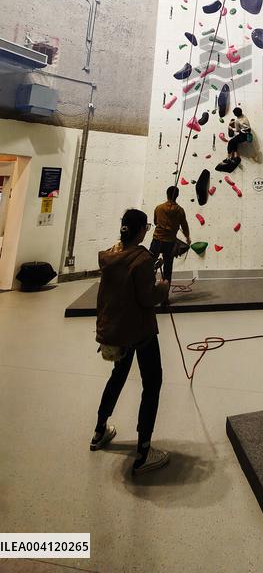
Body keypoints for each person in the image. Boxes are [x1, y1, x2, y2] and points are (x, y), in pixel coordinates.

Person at [91, 208, 170, 475]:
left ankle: (100, 429)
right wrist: (163, 287)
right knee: (152, 383)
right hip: (140, 332)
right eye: (146, 227)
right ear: (140, 230)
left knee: (117, 377)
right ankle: (144, 450)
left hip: (116, 332)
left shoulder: (111, 256)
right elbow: (147, 298)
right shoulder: (142, 259)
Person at [151, 185, 191, 290]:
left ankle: (148, 291)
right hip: (170, 242)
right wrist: (187, 237)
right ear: (177, 196)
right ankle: (164, 297)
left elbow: (155, 222)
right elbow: (185, 226)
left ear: (167, 194)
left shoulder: (159, 208)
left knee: (149, 265)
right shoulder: (180, 211)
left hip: (157, 240)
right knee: (168, 269)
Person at [215, 106, 252, 172]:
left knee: (230, 142)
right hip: (247, 134)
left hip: (243, 135)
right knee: (234, 141)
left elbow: (237, 130)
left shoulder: (237, 121)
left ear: (235, 114)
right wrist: (235, 122)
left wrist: (231, 128)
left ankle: (228, 158)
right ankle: (235, 156)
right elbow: (241, 122)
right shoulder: (244, 117)